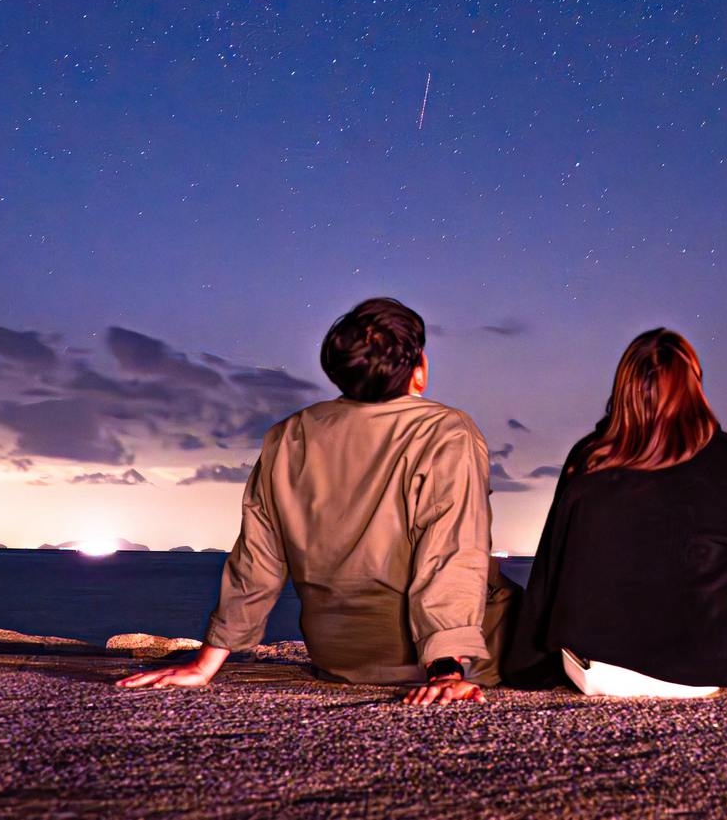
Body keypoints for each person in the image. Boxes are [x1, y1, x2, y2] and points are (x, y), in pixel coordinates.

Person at [118, 298, 513, 704]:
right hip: (423, 660)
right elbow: (451, 552)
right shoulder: (446, 430)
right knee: (540, 612)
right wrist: (446, 670)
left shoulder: (289, 435)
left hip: (339, 655)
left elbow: (257, 558)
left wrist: (206, 664)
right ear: (419, 372)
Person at [502, 328, 727, 695]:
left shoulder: (589, 460)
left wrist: (529, 665)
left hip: (597, 669)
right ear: (695, 386)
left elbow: (551, 566)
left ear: (624, 387)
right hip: (713, 669)